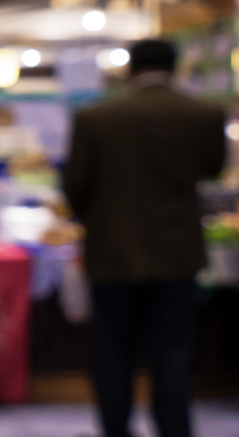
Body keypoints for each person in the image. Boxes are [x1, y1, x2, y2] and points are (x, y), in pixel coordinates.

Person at [62, 39, 227, 437]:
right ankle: (173, 429)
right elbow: (213, 171)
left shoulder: (97, 117)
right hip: (177, 254)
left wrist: (98, 218)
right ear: (177, 66)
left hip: (112, 253)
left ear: (130, 69)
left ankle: (115, 429)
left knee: (112, 351)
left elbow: (74, 187)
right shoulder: (203, 114)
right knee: (173, 354)